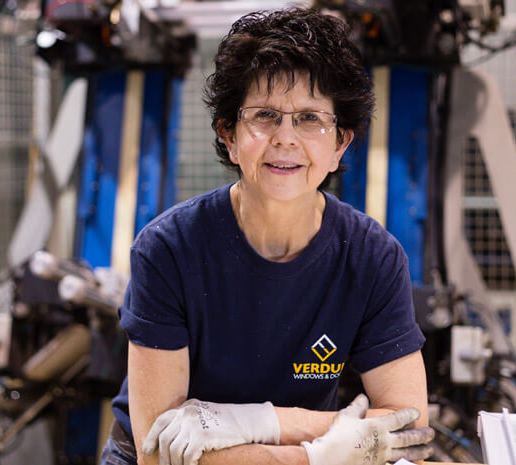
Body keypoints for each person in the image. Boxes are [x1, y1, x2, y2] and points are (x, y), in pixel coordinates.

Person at [100, 7, 434, 465]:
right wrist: (317, 454)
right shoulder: (170, 249)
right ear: (230, 137)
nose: (285, 138)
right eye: (264, 115)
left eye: (311, 118)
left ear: (340, 145)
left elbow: (408, 425)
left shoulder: (372, 258)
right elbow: (157, 452)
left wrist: (261, 423)